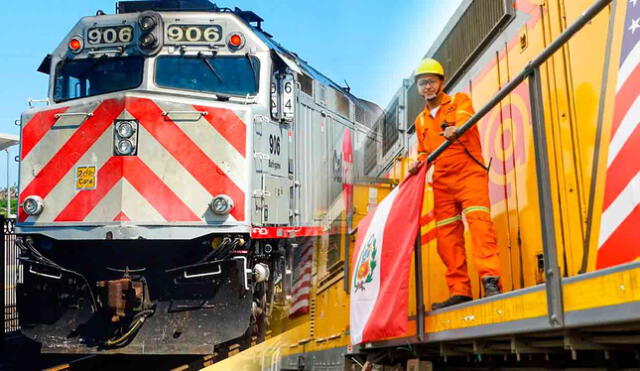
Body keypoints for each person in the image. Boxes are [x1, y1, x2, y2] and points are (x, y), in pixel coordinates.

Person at [409, 58, 502, 310]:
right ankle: (460, 290)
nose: (427, 87)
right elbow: (422, 151)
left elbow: (465, 118)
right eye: (422, 83)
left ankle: (490, 280)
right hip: (442, 181)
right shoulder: (420, 121)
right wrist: (417, 163)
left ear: (442, 82)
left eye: (431, 81)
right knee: (447, 239)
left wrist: (456, 129)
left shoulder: (459, 100)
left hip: (468, 172)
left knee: (479, 226)